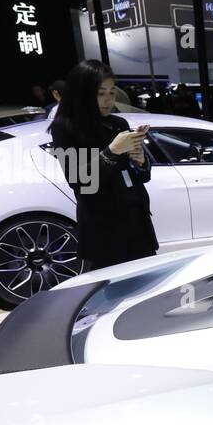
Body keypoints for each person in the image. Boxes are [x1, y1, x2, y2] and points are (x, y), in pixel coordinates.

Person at [49, 60, 157, 270]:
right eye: (100, 94)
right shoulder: (65, 128)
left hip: (137, 219)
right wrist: (112, 151)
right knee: (111, 296)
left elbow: (141, 176)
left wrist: (141, 161)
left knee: (146, 288)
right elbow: (81, 183)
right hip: (104, 229)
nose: (108, 100)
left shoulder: (119, 124)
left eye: (112, 93)